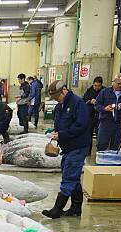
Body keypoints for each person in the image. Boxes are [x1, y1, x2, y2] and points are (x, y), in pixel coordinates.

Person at [42, 80, 90, 219]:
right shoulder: (60, 106)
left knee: (69, 176)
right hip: (67, 147)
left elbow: (81, 125)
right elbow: (59, 124)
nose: (56, 99)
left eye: (57, 96)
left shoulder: (77, 103)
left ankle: (57, 210)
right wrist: (55, 132)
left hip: (78, 146)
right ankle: (75, 209)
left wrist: (62, 134)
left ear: (64, 90)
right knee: (72, 176)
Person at [95, 74, 121, 151]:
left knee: (116, 146)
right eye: (118, 83)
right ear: (113, 82)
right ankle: (101, 161)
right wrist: (105, 108)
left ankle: (113, 162)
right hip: (105, 122)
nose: (120, 85)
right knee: (102, 144)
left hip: (118, 123)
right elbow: (97, 105)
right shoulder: (104, 92)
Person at [83, 76, 104, 154]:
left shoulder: (104, 91)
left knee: (100, 135)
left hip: (100, 116)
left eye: (99, 86)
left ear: (101, 85)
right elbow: (83, 101)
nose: (96, 87)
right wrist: (90, 101)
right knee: (88, 134)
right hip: (90, 115)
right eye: (95, 85)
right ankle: (87, 151)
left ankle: (100, 152)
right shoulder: (89, 91)